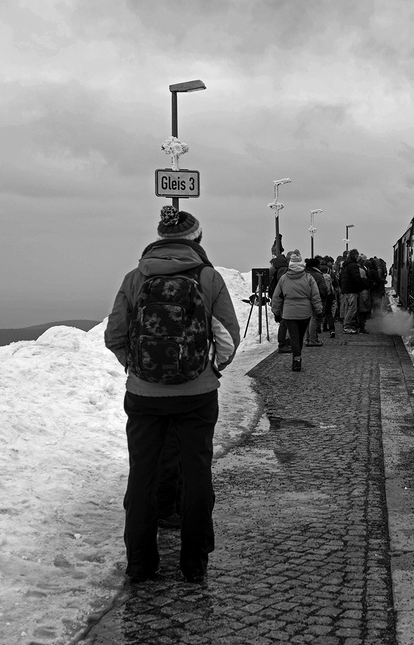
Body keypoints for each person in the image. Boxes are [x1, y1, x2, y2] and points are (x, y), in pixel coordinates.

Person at [105, 207, 240, 584]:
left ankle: (141, 565)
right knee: (197, 475)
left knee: (143, 476)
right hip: (197, 396)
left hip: (144, 397)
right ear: (196, 239)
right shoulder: (208, 278)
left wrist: (139, 368)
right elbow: (228, 337)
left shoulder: (135, 278)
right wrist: (211, 370)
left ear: (159, 238)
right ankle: (193, 564)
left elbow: (114, 335)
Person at [271, 249, 322, 371]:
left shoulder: (284, 278)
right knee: (300, 336)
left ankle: (296, 358)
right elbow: (315, 295)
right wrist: (319, 310)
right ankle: (297, 357)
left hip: (289, 312)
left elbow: (277, 296)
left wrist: (276, 311)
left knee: (294, 335)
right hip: (305, 312)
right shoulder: (308, 278)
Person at [268, 240, 291, 353]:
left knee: (284, 321)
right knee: (284, 321)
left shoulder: (279, 267)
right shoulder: (283, 269)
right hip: (282, 299)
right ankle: (282, 343)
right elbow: (283, 285)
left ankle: (284, 342)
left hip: (280, 298)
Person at [340, 248, 369, 334]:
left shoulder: (345, 265)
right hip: (351, 289)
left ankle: (345, 325)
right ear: (355, 255)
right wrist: (364, 285)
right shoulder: (353, 266)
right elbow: (356, 278)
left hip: (345, 289)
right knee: (352, 308)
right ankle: (346, 326)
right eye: (357, 255)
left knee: (347, 308)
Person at [305, 257, 329, 346]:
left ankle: (307, 339)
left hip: (305, 299)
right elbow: (323, 288)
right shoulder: (318, 275)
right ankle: (312, 339)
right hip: (315, 298)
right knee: (314, 318)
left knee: (308, 319)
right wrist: (324, 297)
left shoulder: (305, 274)